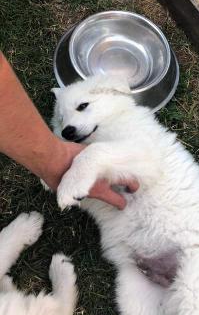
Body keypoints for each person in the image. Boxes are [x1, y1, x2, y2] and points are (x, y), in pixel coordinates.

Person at [0, 51, 138, 209]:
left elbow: (142, 153)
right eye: (63, 120)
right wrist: (56, 164)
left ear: (109, 90)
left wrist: (87, 162)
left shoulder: (129, 123)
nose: (67, 127)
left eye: (82, 106)